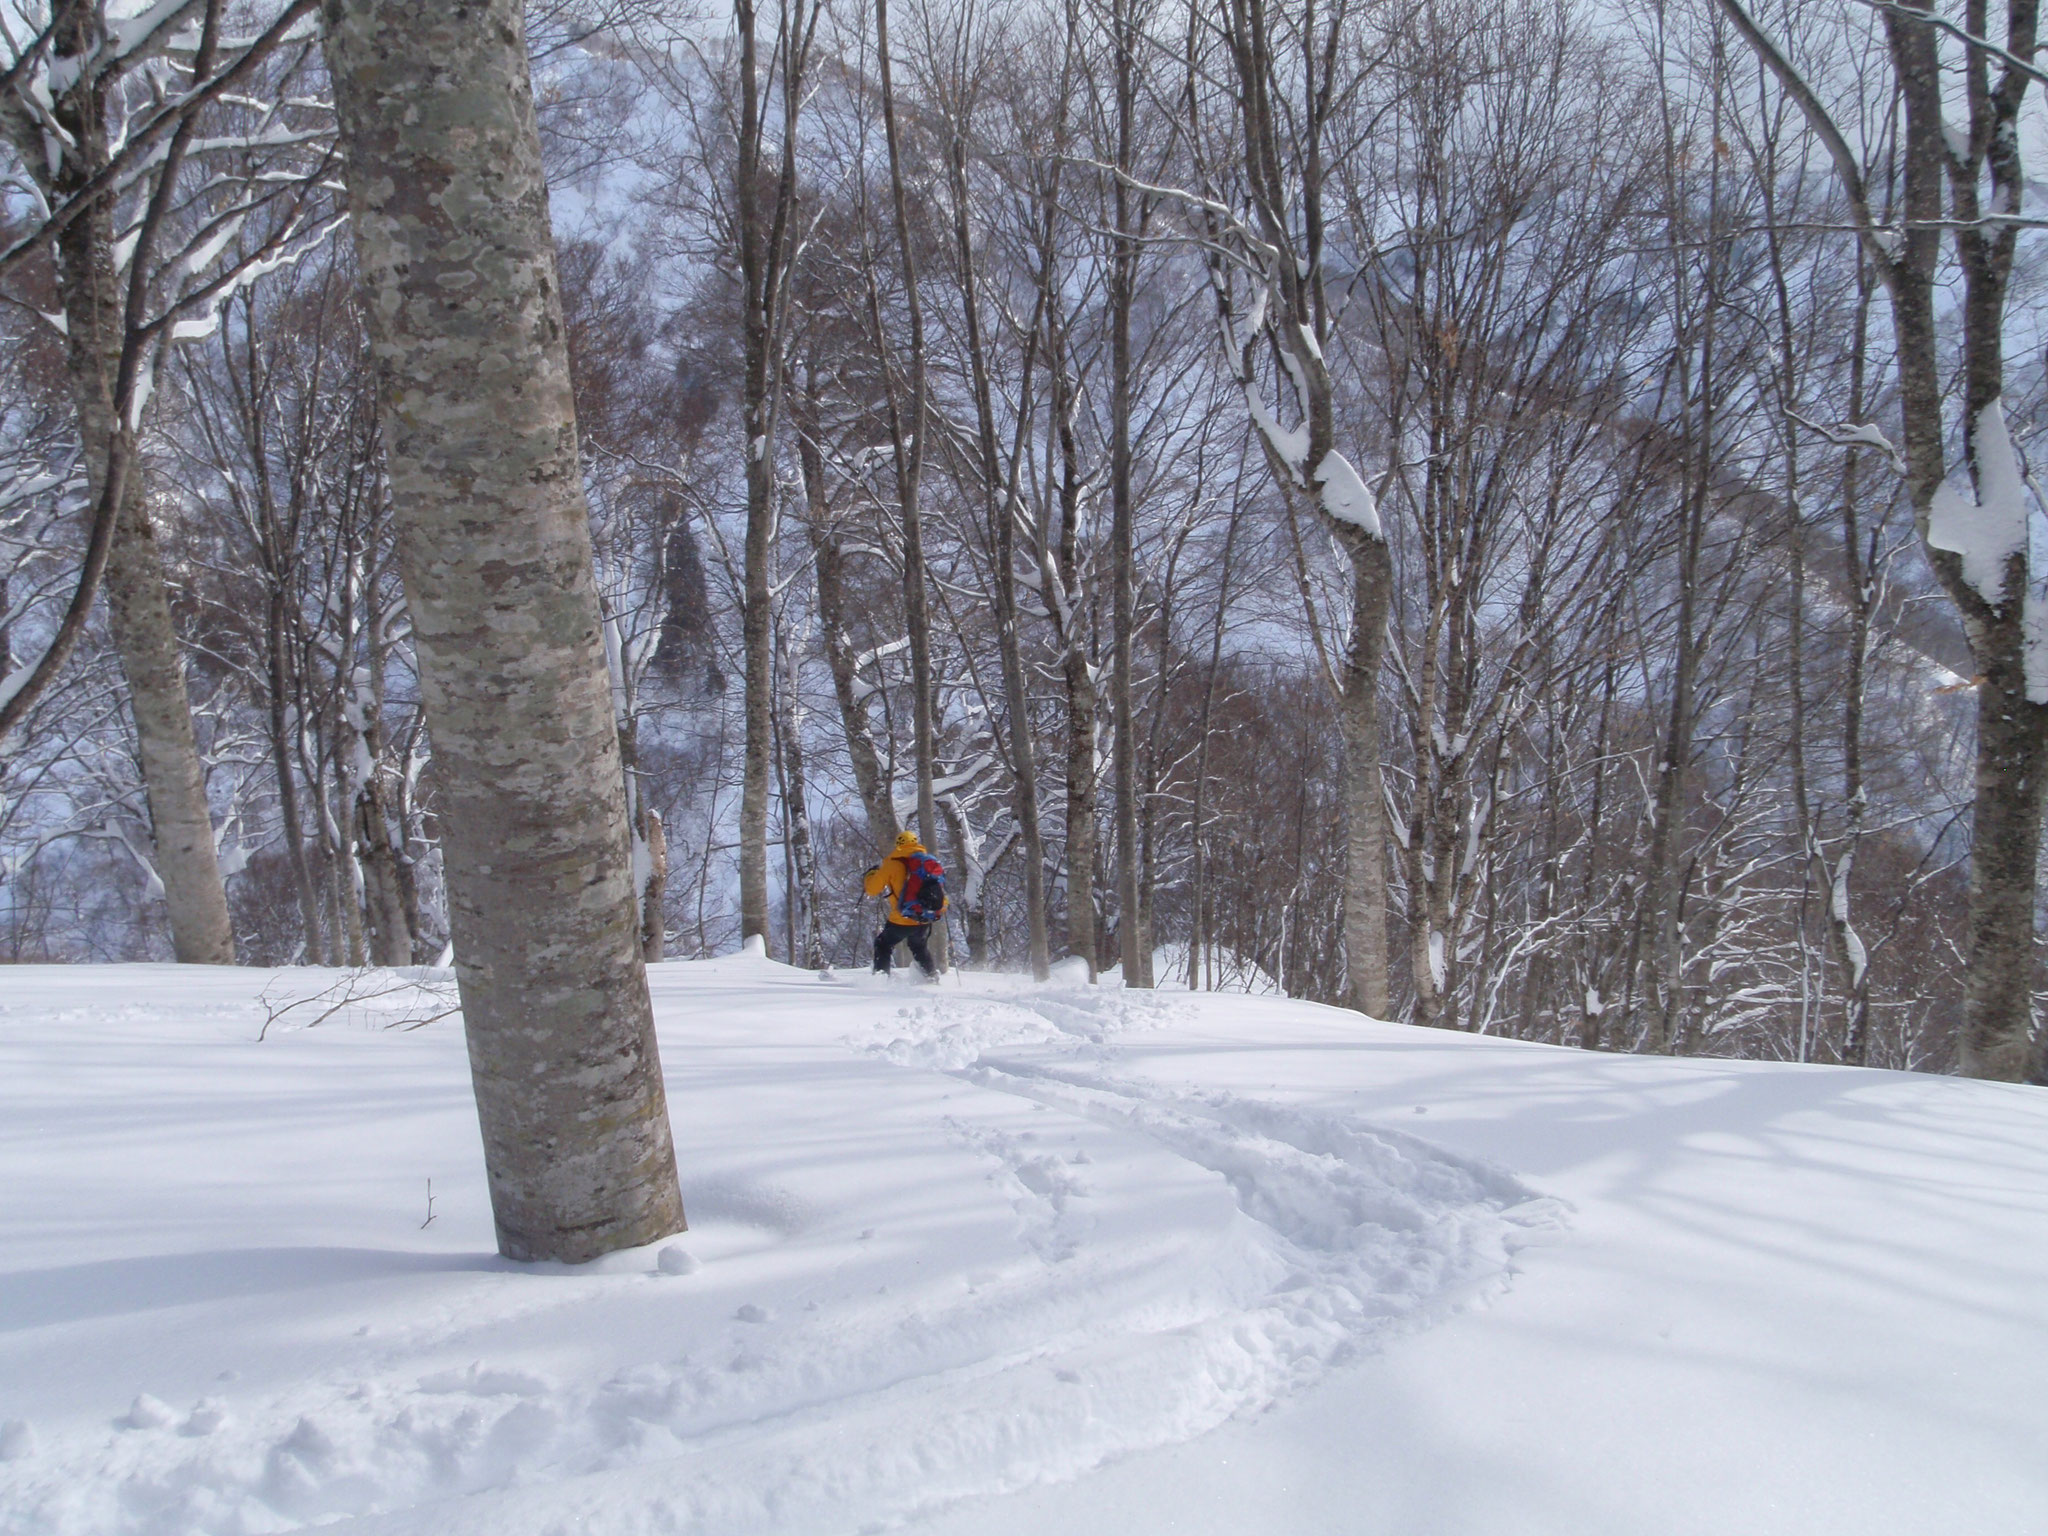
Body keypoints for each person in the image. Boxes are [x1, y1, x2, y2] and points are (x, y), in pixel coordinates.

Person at [863, 829, 946, 979]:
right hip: (924, 916)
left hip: (903, 918)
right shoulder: (928, 863)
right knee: (918, 946)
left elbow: (872, 890)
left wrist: (871, 875)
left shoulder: (892, 864)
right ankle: (931, 977)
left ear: (898, 845)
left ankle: (881, 981)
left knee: (883, 944)